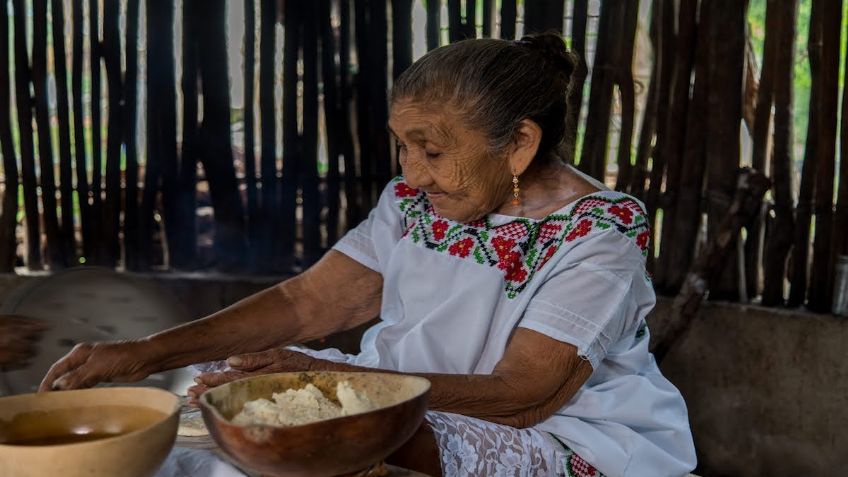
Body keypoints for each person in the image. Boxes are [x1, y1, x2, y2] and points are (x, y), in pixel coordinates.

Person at [41, 34, 696, 477]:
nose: (411, 174)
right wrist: (148, 351)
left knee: (335, 433)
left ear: (520, 144)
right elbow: (308, 302)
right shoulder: (414, 204)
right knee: (227, 377)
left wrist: (331, 387)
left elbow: (525, 394)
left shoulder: (598, 230)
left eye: (432, 151)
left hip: (554, 429)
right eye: (402, 146)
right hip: (400, 390)